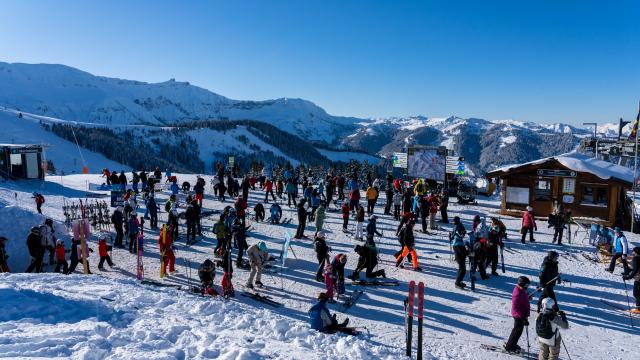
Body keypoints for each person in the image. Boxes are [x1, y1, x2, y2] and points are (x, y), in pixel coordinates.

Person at [504, 276, 531, 353]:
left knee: (518, 331)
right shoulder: (517, 293)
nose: (527, 287)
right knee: (516, 331)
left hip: (522, 314)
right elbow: (515, 308)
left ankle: (512, 344)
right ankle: (510, 347)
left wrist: (528, 298)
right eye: (526, 285)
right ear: (522, 284)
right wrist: (522, 318)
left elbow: (523, 299)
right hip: (519, 315)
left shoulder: (521, 290)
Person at [450, 216, 468, 289]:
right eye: (462, 234)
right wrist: (469, 252)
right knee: (462, 269)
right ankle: (457, 283)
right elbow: (463, 252)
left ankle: (459, 281)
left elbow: (455, 234)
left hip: (458, 251)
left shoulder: (458, 227)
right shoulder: (458, 241)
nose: (463, 235)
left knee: (462, 269)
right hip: (459, 253)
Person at [622, 246, 640, 313]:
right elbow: (635, 268)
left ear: (636, 252)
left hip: (639, 279)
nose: (632, 252)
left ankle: (638, 308)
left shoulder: (636, 258)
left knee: (636, 293)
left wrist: (628, 277)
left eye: (633, 251)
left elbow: (635, 269)